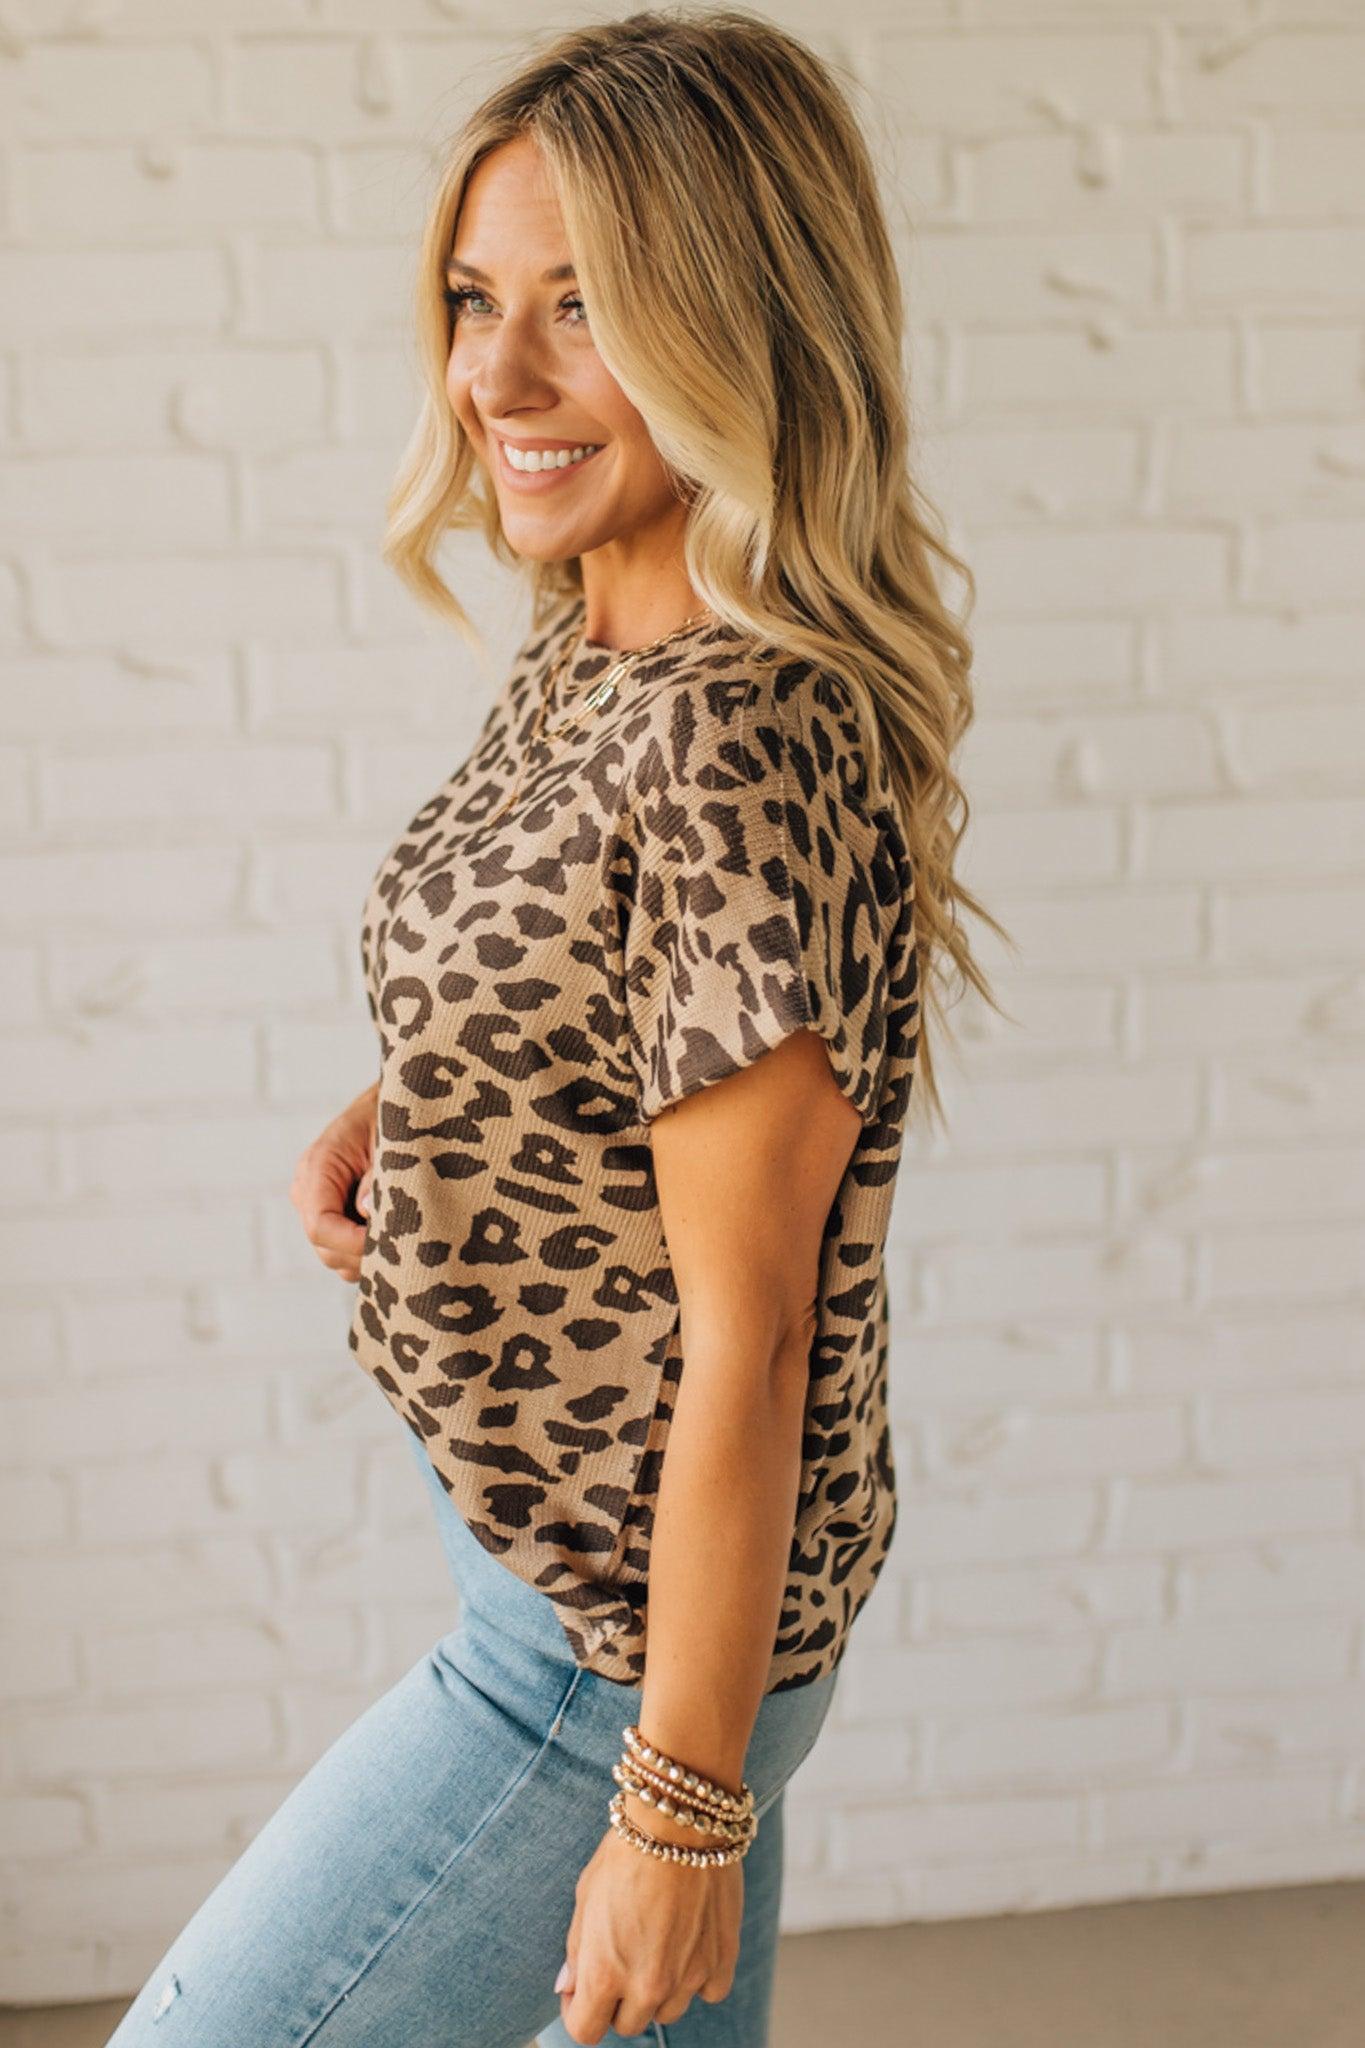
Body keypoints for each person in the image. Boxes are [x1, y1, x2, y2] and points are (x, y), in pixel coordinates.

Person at [105, 9, 1004, 2045]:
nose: (489, 376)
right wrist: (414, 1093)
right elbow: (602, 994)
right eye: (469, 297)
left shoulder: (728, 734)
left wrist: (676, 1811)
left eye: (580, 309)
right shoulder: (596, 616)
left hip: (607, 1637)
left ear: (737, 324)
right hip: (566, 1570)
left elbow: (750, 1331)